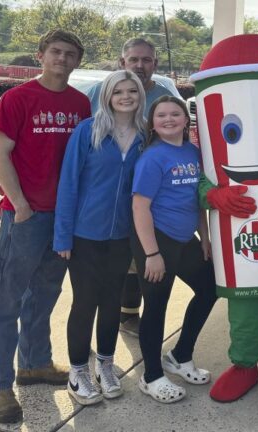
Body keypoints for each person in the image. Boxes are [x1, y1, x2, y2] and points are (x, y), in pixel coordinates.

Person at [0, 29, 91, 424]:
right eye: (56, 52)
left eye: (70, 54)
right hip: (27, 216)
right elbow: (0, 155)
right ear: (41, 55)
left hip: (64, 219)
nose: (62, 59)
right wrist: (21, 206)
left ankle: (34, 365)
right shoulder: (17, 98)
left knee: (45, 294)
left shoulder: (81, 103)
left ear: (77, 61)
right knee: (6, 301)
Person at [53, 70, 147, 405]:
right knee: (85, 302)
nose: (125, 96)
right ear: (107, 96)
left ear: (139, 95)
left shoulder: (144, 137)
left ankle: (106, 365)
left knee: (111, 303)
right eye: (118, 91)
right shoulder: (88, 132)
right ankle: (78, 371)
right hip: (85, 235)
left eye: (131, 91)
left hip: (123, 237)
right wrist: (63, 236)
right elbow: (68, 184)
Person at [85, 38, 180, 339]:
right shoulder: (99, 92)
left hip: (153, 195)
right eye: (133, 59)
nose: (140, 65)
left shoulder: (165, 95)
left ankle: (129, 315)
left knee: (140, 258)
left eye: (147, 60)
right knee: (108, 266)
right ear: (122, 61)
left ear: (155, 64)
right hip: (108, 194)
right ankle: (95, 328)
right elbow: (83, 138)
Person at [131, 96, 218, 403]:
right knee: (156, 307)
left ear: (186, 119)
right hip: (157, 239)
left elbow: (197, 200)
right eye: (161, 115)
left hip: (186, 239)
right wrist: (152, 254)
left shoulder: (192, 151)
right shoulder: (152, 157)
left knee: (210, 289)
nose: (169, 119)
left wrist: (205, 236)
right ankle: (151, 376)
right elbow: (140, 206)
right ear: (152, 123)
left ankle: (180, 356)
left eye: (175, 114)